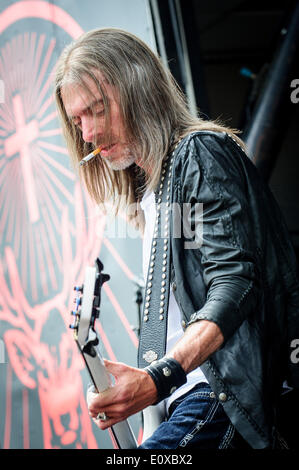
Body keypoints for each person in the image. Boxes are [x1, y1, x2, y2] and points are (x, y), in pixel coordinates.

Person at [55, 27, 299, 449]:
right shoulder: (151, 191)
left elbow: (235, 283)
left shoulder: (199, 153)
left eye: (96, 110)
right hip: (187, 399)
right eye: (77, 121)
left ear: (138, 90)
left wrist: (158, 378)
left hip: (219, 397)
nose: (87, 135)